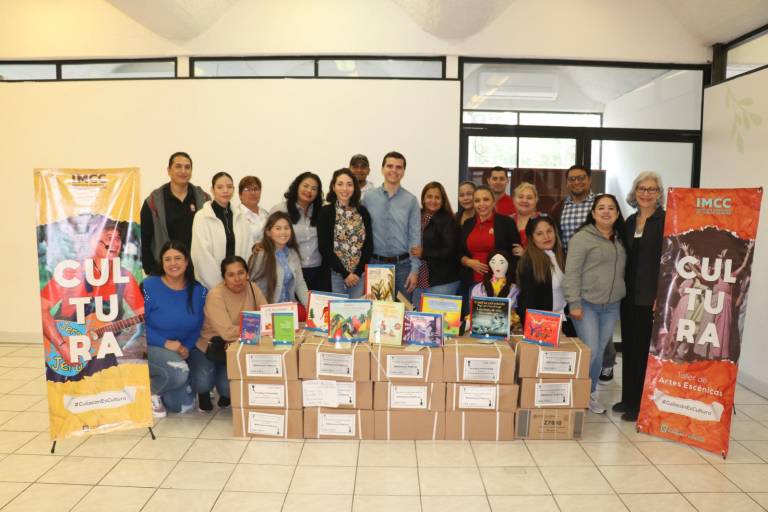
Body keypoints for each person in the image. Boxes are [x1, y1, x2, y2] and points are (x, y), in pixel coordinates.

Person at [40, 218, 144, 382]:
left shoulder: (124, 277)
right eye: (109, 238)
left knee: (105, 392)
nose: (115, 244)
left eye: (118, 238)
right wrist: (62, 347)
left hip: (101, 348)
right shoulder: (71, 272)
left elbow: (143, 314)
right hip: (65, 347)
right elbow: (41, 309)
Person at [550, 165, 616, 382]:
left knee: (599, 322)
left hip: (598, 273)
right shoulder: (560, 207)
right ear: (567, 183)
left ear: (589, 180)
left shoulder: (600, 205)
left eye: (581, 178)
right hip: (571, 269)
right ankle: (580, 368)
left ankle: (605, 363)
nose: (576, 182)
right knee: (580, 319)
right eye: (572, 179)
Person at [563, 194, 626, 414]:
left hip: (611, 306)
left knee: (599, 351)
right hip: (586, 304)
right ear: (593, 213)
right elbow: (571, 272)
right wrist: (574, 303)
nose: (606, 212)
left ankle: (587, 395)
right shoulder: (582, 238)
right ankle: (576, 394)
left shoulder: (621, 238)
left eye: (611, 208)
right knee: (590, 350)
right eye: (601, 208)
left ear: (617, 214)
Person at [614, 172, 665, 421]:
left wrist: (662, 296)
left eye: (652, 189)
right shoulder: (630, 221)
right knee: (630, 347)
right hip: (629, 295)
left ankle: (641, 404)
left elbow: (670, 263)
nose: (646, 193)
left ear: (659, 193)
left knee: (644, 350)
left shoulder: (665, 221)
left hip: (650, 297)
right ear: (635, 192)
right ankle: (628, 398)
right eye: (642, 188)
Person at [191, 255, 268, 412]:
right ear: (224, 278)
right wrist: (255, 327)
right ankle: (204, 393)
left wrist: (259, 326)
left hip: (237, 346)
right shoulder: (215, 295)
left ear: (247, 274)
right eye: (231, 275)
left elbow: (267, 316)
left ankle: (224, 390)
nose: (237, 279)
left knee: (227, 389)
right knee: (202, 382)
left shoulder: (253, 288)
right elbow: (226, 333)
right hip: (211, 345)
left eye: (241, 273)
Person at [143, 241, 206, 417]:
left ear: (186, 262)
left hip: (180, 350)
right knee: (178, 373)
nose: (173, 264)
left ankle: (165, 380)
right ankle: (148, 392)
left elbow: (198, 324)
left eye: (178, 258)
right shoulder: (149, 286)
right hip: (151, 346)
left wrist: (184, 347)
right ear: (162, 263)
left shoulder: (199, 291)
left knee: (182, 407)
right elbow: (138, 325)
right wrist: (166, 343)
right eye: (167, 259)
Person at [361, 151, 421, 302]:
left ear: (403, 172)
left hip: (403, 267)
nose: (394, 170)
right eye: (390, 166)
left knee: (402, 312)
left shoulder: (411, 200)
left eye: (398, 167)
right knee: (376, 315)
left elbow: (415, 237)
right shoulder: (368, 198)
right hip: (375, 266)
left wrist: (414, 270)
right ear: (382, 169)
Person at [140, 152, 210, 275]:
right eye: (178, 166)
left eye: (187, 167)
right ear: (169, 170)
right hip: (166, 270)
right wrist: (151, 270)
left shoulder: (203, 199)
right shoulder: (153, 201)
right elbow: (145, 239)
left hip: (197, 270)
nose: (183, 171)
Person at [458, 186, 521, 314]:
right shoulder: (468, 224)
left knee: (495, 322)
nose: (481, 204)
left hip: (499, 285)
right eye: (477, 200)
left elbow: (515, 254)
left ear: (493, 202)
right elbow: (458, 252)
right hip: (472, 282)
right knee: (472, 322)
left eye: (486, 199)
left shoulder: (506, 223)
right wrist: (468, 262)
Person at [317, 168, 373, 298]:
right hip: (334, 274)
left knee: (357, 316)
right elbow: (324, 248)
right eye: (340, 184)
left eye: (349, 184)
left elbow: (368, 245)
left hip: (358, 276)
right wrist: (345, 274)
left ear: (354, 187)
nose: (345, 189)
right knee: (337, 315)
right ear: (333, 187)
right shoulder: (325, 212)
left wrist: (357, 273)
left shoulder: (362, 212)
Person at [516, 216, 576, 337]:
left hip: (565, 322)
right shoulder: (529, 262)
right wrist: (539, 330)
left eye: (549, 231)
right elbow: (527, 301)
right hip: (543, 326)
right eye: (539, 233)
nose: (546, 237)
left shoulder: (561, 257)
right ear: (532, 238)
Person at [270, 172, 328, 292]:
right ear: (297, 186)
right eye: (305, 186)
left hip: (319, 270)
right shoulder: (281, 209)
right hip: (292, 270)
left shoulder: (322, 211)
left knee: (317, 309)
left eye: (314, 188)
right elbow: (267, 236)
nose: (309, 191)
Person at [191, 172, 249, 290]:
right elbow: (201, 256)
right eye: (220, 187)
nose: (225, 190)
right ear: (212, 190)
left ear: (233, 189)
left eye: (229, 187)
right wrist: (220, 285)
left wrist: (240, 279)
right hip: (211, 286)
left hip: (239, 284)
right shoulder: (202, 216)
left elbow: (247, 249)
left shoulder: (240, 216)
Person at [411, 182, 461, 307]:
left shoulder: (449, 220)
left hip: (442, 280)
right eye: (429, 196)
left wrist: (424, 253)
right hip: (417, 279)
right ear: (423, 198)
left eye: (437, 197)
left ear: (442, 200)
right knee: (418, 322)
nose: (433, 200)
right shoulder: (415, 216)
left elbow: (450, 250)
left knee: (438, 322)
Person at [249, 211, 310, 307]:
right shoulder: (261, 255)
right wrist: (265, 311)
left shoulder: (293, 253)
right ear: (268, 232)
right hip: (267, 310)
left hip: (289, 309)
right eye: (278, 228)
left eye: (286, 228)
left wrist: (309, 306)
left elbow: (300, 283)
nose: (283, 232)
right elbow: (253, 288)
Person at [238, 175, 269, 256]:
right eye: (247, 189)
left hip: (266, 261)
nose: (253, 193)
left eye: (256, 189)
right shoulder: (236, 216)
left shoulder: (266, 214)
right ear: (240, 194)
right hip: (245, 261)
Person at [511, 181, 542, 256]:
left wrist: (526, 254)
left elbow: (548, 251)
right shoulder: (507, 221)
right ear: (514, 199)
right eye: (520, 197)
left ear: (536, 200)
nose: (524, 200)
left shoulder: (543, 220)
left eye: (529, 198)